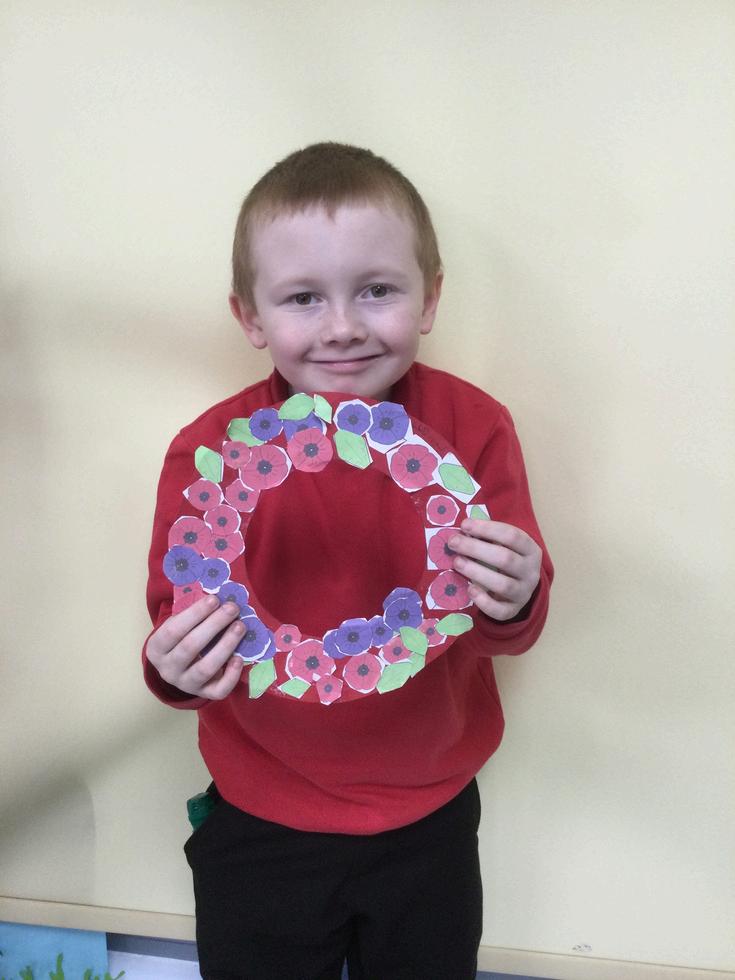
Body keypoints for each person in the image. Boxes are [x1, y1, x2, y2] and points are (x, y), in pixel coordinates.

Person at [143, 142, 553, 980]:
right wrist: (174, 666)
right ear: (251, 317)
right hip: (262, 814)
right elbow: (179, 632)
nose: (342, 326)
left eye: (376, 289)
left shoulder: (474, 429)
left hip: (428, 814)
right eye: (303, 297)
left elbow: (500, 624)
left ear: (428, 298)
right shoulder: (207, 453)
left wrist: (514, 595)